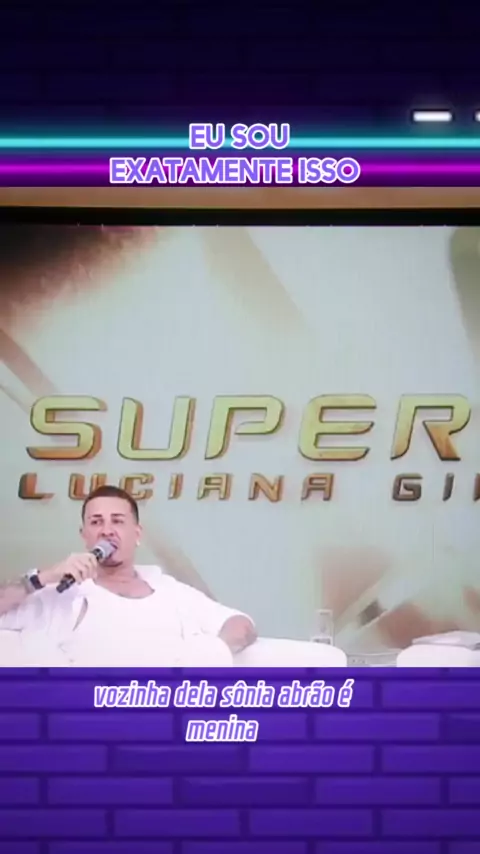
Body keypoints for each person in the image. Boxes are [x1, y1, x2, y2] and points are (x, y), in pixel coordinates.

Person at [0, 485, 257, 666]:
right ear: (84, 535)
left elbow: (240, 625)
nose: (107, 530)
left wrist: (206, 655)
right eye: (96, 522)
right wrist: (44, 577)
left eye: (118, 521)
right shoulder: (63, 593)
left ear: (137, 534)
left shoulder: (170, 591)